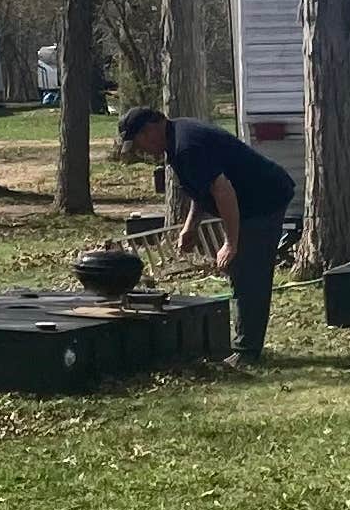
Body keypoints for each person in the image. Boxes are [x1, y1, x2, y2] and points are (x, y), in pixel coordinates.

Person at [118, 107, 295, 367]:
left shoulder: (186, 145)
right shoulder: (177, 141)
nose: (142, 150)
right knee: (240, 269)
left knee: (248, 271)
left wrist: (231, 244)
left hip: (264, 200)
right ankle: (245, 343)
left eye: (140, 141)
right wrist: (190, 226)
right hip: (251, 201)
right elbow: (202, 190)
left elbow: (224, 191)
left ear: (152, 128)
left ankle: (246, 352)